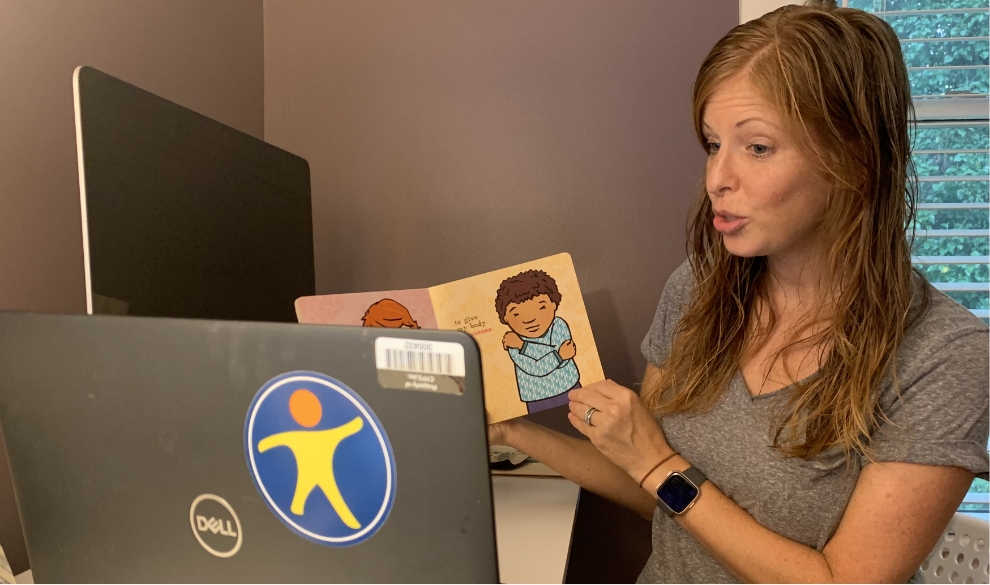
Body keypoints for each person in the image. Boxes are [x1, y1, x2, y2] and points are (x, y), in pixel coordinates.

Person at [488, 2, 990, 582]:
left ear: (854, 159)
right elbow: (657, 495)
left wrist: (658, 463)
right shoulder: (698, 289)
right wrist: (510, 431)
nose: (717, 179)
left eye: (757, 147)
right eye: (712, 144)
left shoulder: (943, 355)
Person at [496, 269, 581, 413]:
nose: (530, 319)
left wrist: (523, 346)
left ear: (554, 304)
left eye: (541, 307)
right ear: (505, 318)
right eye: (516, 313)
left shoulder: (558, 324)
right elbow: (536, 368)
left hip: (570, 387)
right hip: (537, 399)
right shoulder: (512, 341)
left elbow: (564, 360)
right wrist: (559, 355)